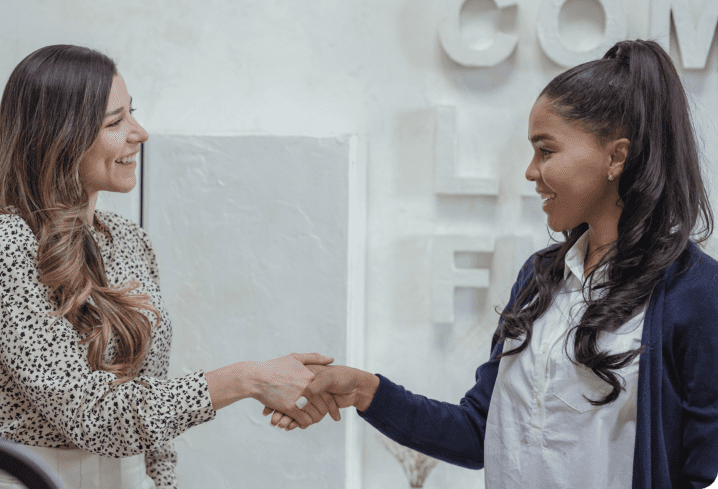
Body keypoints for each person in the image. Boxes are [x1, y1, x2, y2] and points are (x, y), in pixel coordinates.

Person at [274, 39, 718, 488]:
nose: (530, 171)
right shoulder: (539, 279)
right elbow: (477, 434)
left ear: (615, 157)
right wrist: (364, 390)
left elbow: (703, 469)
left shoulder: (696, 291)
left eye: (546, 151)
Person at [0, 44, 339, 489]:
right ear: (59, 137)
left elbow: (148, 398)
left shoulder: (129, 239)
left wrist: (162, 482)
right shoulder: (3, 243)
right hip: (33, 478)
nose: (140, 133)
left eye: (132, 114)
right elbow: (90, 416)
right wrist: (247, 379)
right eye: (114, 122)